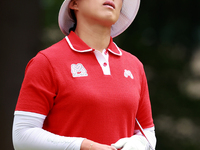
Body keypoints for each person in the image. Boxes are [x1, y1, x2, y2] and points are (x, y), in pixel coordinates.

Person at [12, 0, 157, 150]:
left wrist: (140, 144)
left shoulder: (134, 66)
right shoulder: (47, 61)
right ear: (74, 4)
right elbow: (22, 136)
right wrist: (83, 146)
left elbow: (147, 133)